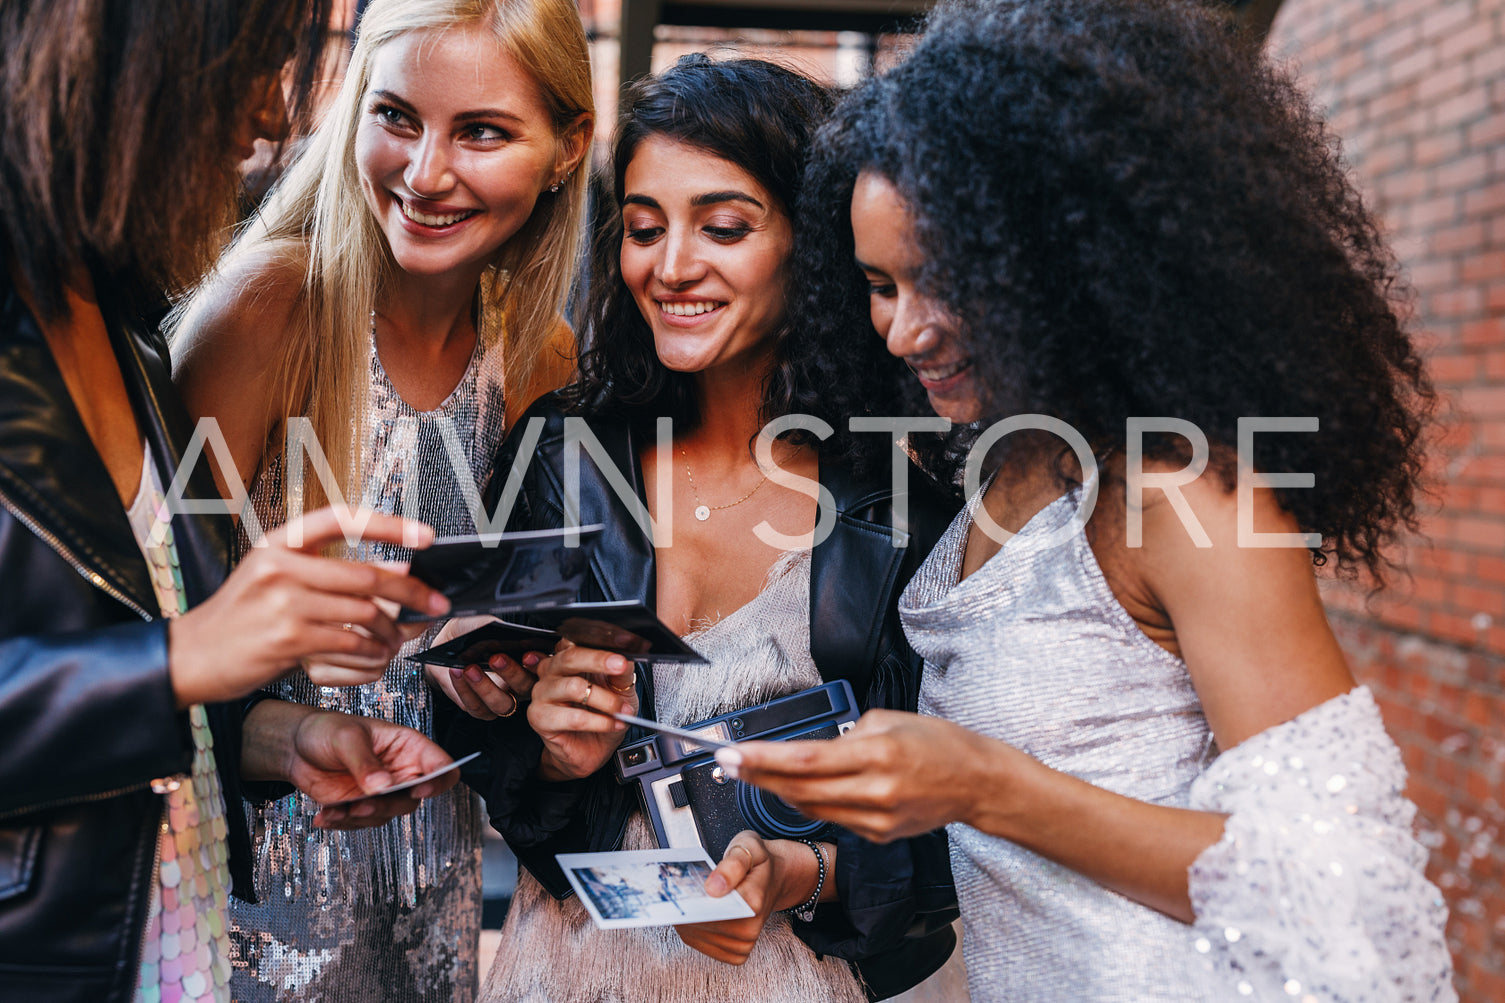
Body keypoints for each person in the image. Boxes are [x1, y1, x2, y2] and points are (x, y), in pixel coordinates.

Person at [723, 1, 1457, 1001]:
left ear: (1061, 261)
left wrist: (987, 784)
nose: (899, 331)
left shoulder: (1177, 492)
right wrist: (813, 864)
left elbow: (1338, 895)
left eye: (941, 279)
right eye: (876, 283)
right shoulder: (993, 463)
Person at [432, 54, 960, 1003]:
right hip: (565, 973)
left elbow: (950, 834)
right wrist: (548, 745)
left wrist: (801, 872)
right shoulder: (561, 455)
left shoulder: (905, 519)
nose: (670, 266)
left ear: (815, 241)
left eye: (722, 226)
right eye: (643, 228)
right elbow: (483, 737)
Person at [0, 2, 467, 1002]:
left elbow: (136, 698)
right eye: (249, 63)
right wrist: (185, 656)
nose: (268, 112)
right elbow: (152, 665)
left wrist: (277, 737)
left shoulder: (122, 328)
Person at [167, 0, 593, 998]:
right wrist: (285, 721)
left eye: (480, 131)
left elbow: (497, 607)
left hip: (423, 862)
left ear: (567, 149)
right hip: (252, 870)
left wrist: (494, 665)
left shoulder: (536, 352)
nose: (424, 171)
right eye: (395, 115)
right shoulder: (269, 309)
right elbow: (156, 628)